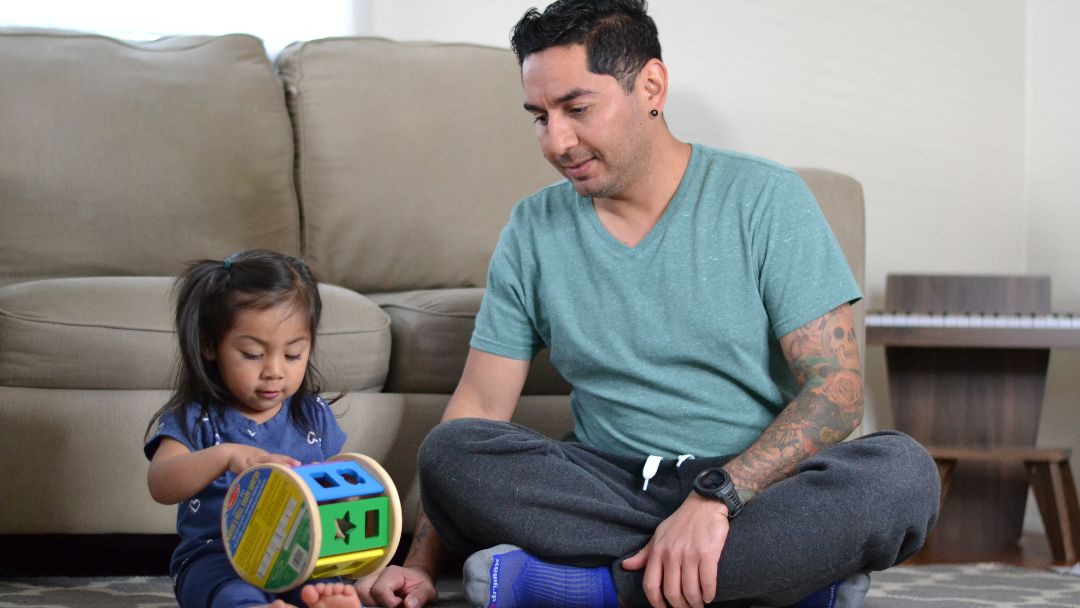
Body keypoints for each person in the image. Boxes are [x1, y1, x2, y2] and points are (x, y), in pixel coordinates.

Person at [357, 1, 939, 607]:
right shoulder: (533, 228)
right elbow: (478, 408)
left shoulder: (766, 200)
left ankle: (595, 589)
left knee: (900, 473)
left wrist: (718, 499)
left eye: (577, 109)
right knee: (453, 453)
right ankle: (784, 583)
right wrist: (421, 563)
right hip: (607, 483)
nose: (557, 141)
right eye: (539, 116)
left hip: (754, 486)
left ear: (651, 86)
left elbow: (837, 391)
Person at [145, 249, 361, 608]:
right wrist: (225, 456)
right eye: (252, 354)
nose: (274, 370)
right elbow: (161, 483)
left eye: (293, 354)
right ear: (208, 345)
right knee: (231, 594)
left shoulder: (312, 414)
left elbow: (338, 489)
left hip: (299, 553)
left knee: (326, 586)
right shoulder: (198, 417)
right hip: (217, 559)